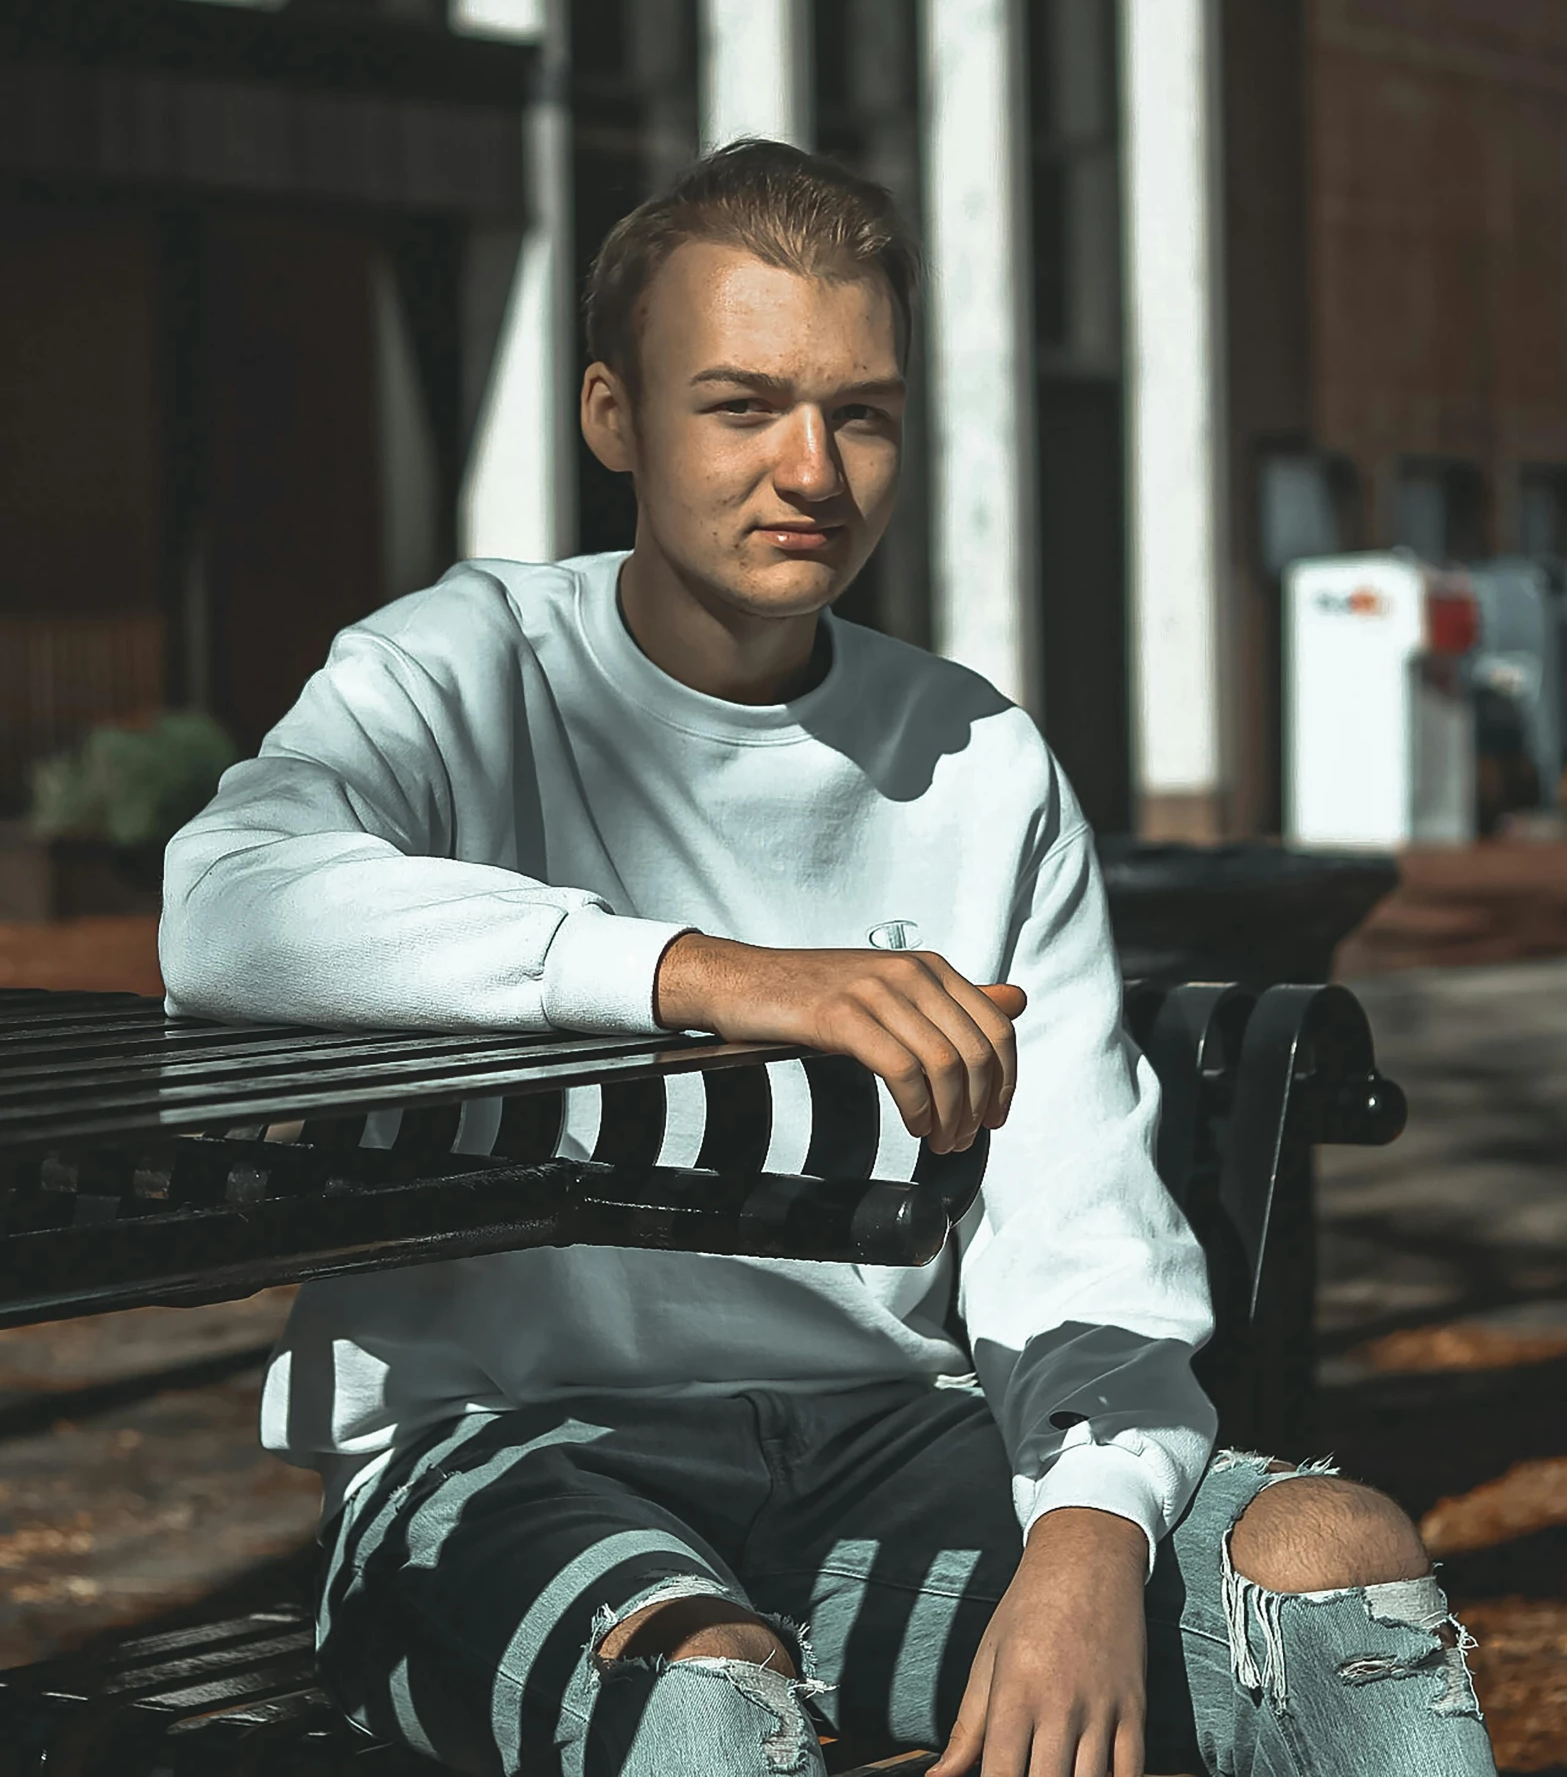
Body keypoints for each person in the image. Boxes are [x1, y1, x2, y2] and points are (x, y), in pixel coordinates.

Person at [161, 142, 1493, 1777]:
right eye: (740, 404)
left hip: (891, 1462)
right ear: (610, 418)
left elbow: (1078, 1238)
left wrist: (1084, 1543)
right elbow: (222, 901)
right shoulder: (468, 668)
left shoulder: (975, 758)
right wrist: (714, 974)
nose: (812, 467)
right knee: (701, 1703)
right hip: (504, 1464)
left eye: (860, 411)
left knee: (1331, 1570)